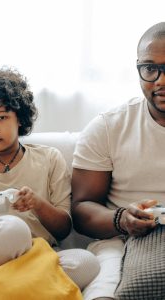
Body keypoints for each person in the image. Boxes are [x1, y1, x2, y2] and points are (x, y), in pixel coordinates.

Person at [0, 67, 100, 290]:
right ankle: (13, 285)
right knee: (12, 228)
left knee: (86, 263)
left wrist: (37, 204)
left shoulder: (49, 159)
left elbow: (63, 230)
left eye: (1, 117)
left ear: (20, 119)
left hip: (35, 254)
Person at [71, 22, 165, 300]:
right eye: (150, 68)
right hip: (122, 239)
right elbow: (80, 210)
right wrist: (122, 219)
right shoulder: (109, 127)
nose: (160, 81)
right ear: (138, 68)